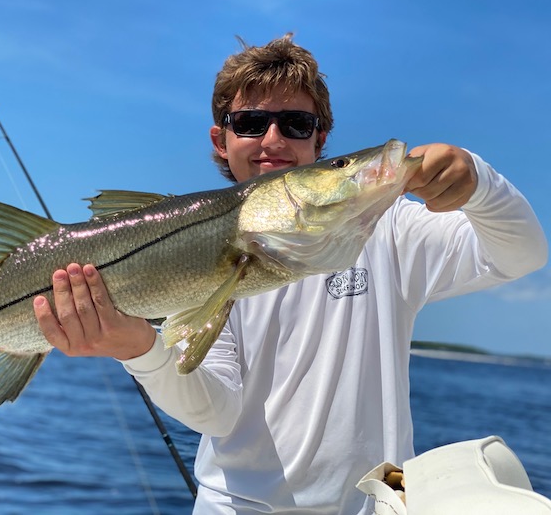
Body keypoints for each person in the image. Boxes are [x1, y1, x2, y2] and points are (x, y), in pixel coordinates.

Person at [32, 35, 548, 514]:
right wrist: (139, 348)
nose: (273, 139)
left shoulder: (390, 228)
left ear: (320, 141)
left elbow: (520, 254)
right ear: (221, 138)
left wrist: (479, 182)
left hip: (375, 503)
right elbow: (218, 414)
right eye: (252, 123)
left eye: (296, 125)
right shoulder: (205, 253)